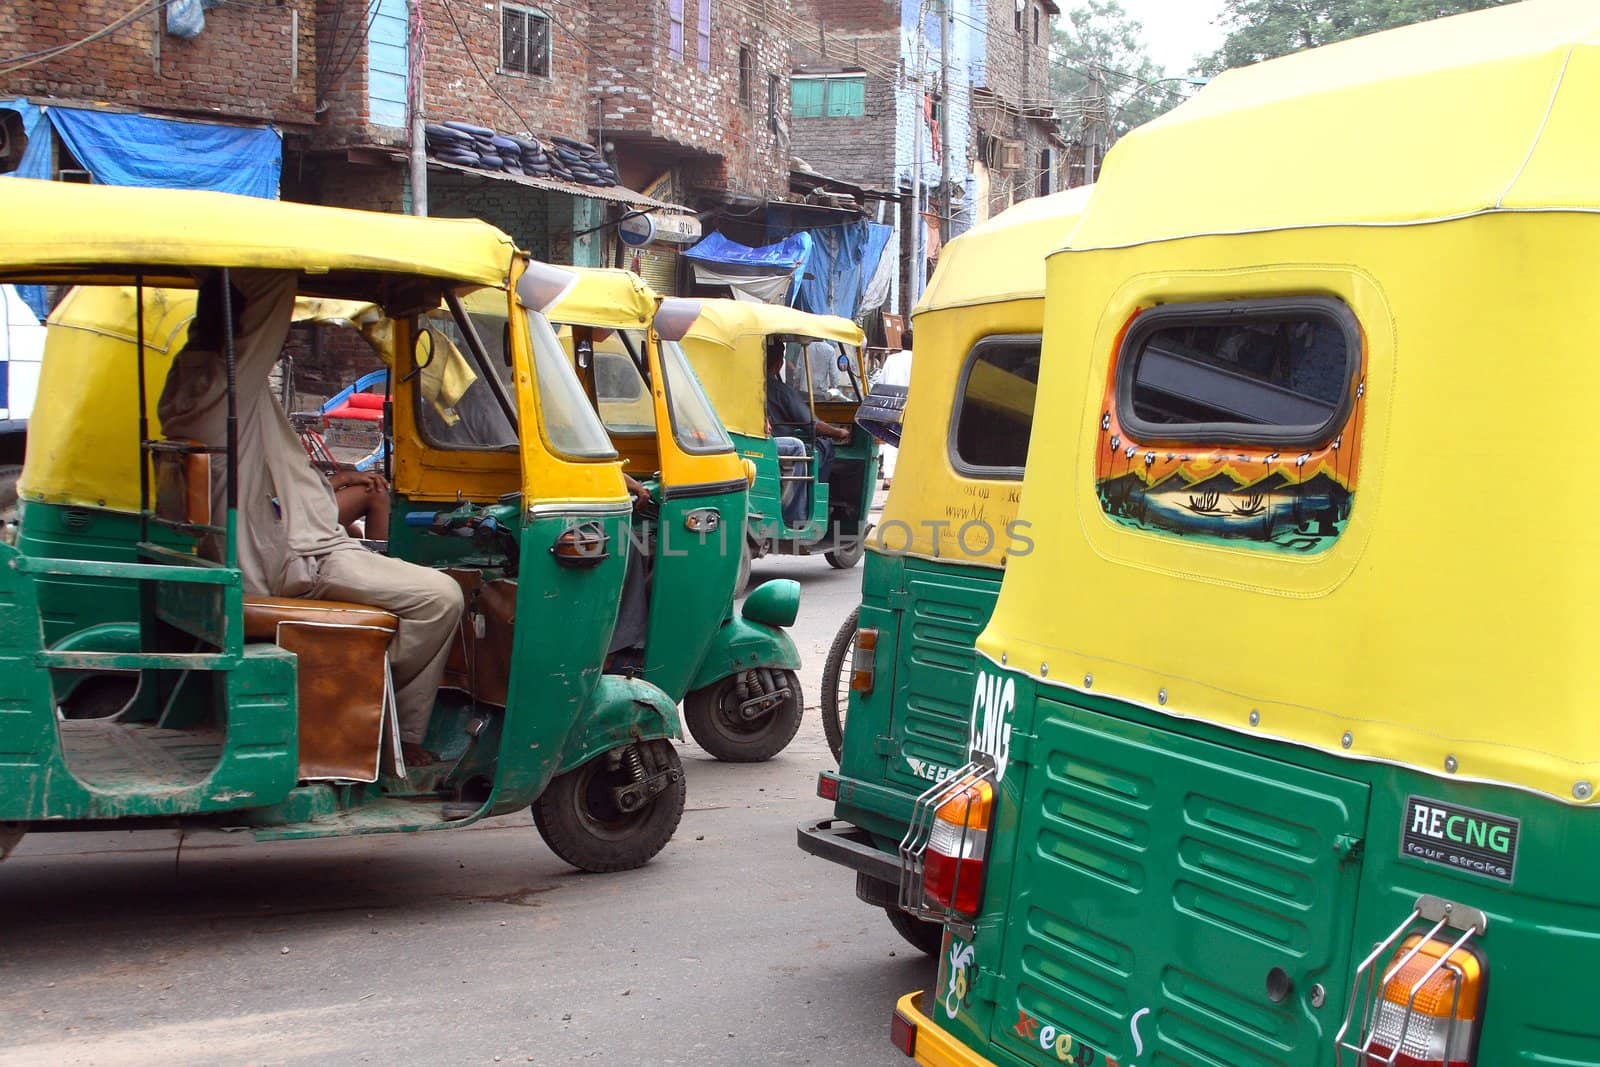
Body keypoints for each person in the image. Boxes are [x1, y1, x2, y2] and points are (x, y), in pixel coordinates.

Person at [158, 270, 464, 770]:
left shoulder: (190, 386)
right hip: (297, 562)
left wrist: (329, 485)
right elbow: (264, 316)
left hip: (287, 544)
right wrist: (280, 269)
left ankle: (359, 692)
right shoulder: (221, 385)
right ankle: (372, 710)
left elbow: (267, 476)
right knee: (441, 597)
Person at [765, 343, 850, 483]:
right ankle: (816, 498)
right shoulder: (782, 392)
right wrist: (839, 433)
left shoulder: (749, 386)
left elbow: (798, 372)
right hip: (779, 446)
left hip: (761, 443)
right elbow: (812, 425)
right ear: (779, 363)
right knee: (825, 446)